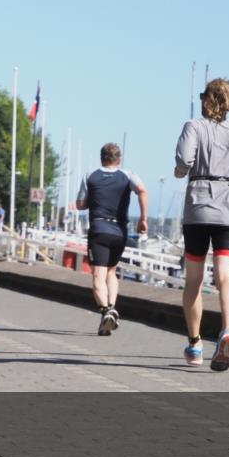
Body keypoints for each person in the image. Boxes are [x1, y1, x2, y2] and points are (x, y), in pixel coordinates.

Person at [174, 78, 229, 370]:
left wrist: (180, 171)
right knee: (226, 275)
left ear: (207, 99)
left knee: (194, 279)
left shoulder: (194, 126)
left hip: (198, 209)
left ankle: (194, 344)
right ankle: (227, 330)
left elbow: (183, 161)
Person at [76, 143, 149, 336]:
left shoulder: (90, 176)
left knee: (98, 276)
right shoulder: (128, 175)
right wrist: (143, 218)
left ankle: (106, 311)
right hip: (119, 231)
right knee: (111, 271)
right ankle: (110, 311)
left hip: (99, 229)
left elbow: (80, 204)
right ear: (119, 159)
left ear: (101, 158)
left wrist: (95, 198)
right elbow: (142, 190)